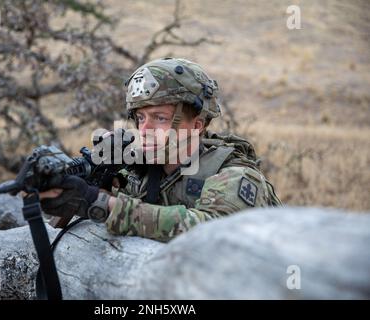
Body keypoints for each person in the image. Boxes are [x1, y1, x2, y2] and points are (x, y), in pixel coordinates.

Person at [39, 57, 281, 242]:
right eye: (141, 118)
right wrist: (88, 183)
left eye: (160, 118)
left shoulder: (234, 172)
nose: (145, 130)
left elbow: (208, 231)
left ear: (197, 125)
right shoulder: (138, 166)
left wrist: (102, 203)